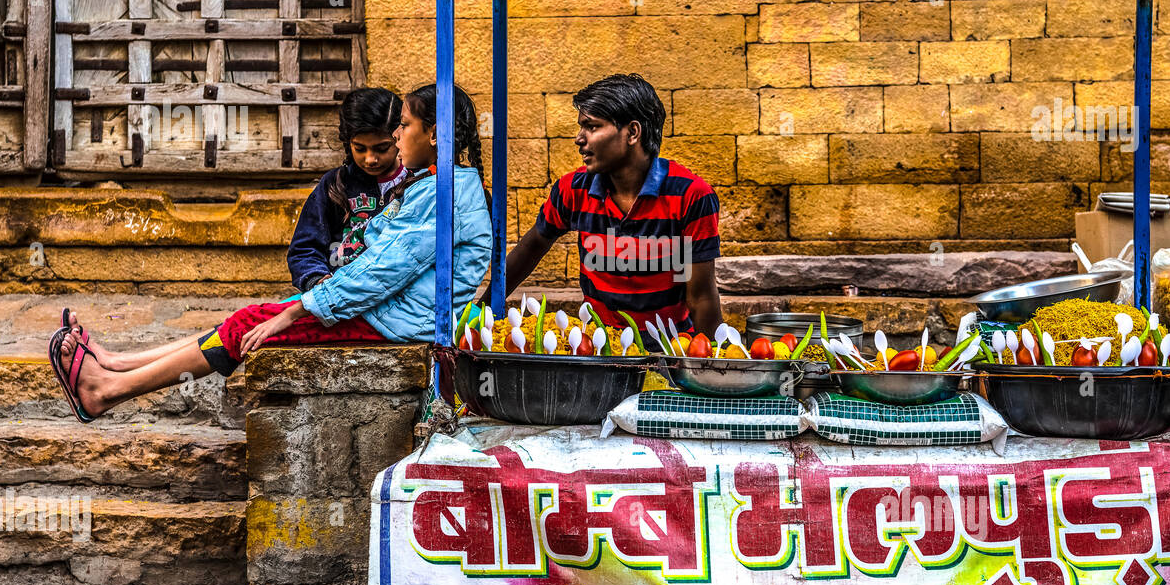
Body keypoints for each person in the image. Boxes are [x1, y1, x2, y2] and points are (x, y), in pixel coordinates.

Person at [50, 84, 492, 423]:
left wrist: (297, 311)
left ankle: (105, 392)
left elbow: (379, 272)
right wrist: (307, 299)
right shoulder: (440, 185)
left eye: (405, 127)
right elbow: (364, 258)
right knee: (254, 316)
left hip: (394, 323)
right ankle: (117, 365)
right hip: (386, 311)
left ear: (433, 134)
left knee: (251, 324)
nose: (397, 137)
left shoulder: (442, 193)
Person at [486, 73, 722, 338]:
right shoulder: (573, 190)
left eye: (592, 127)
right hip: (600, 345)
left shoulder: (691, 195)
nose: (579, 139)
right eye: (581, 127)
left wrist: (709, 363)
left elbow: (701, 298)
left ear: (633, 132)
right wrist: (482, 310)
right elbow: (532, 246)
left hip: (672, 347)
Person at [287, 86, 408, 292]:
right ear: (347, 142)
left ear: (399, 137)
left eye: (382, 148)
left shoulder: (417, 184)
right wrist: (317, 280)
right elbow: (304, 248)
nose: (370, 159)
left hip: (394, 297)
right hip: (338, 295)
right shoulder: (335, 184)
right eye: (360, 149)